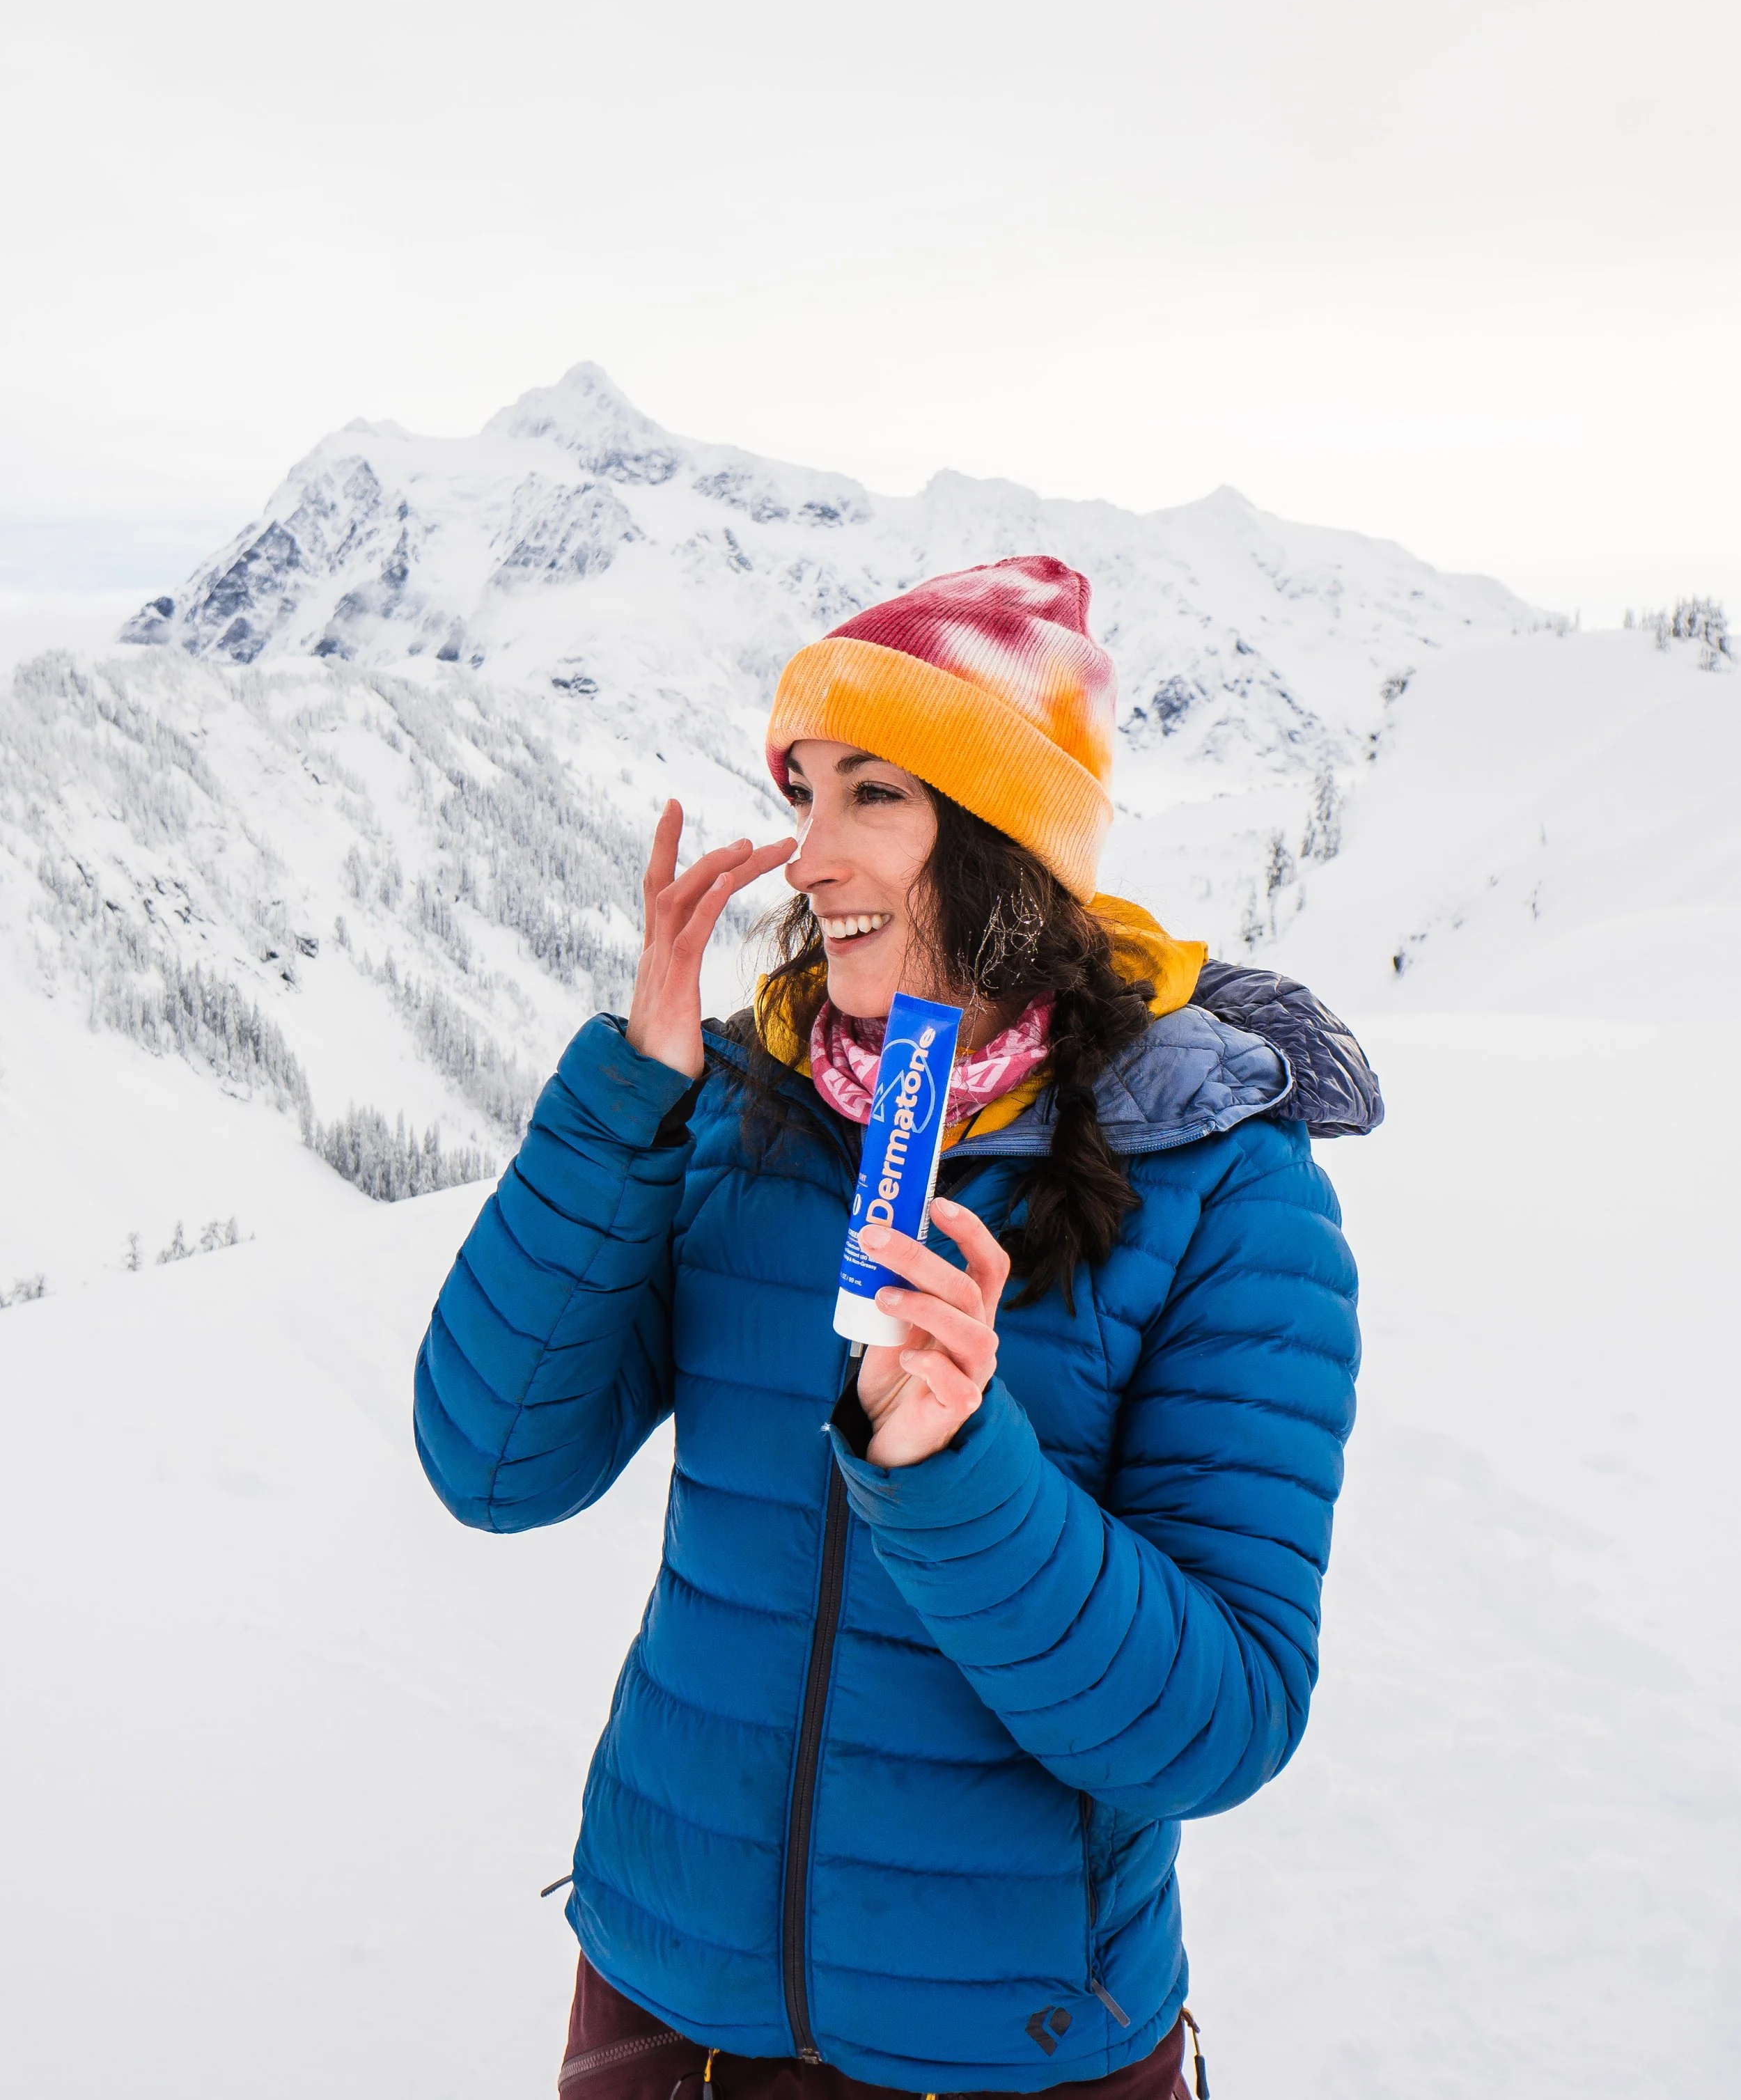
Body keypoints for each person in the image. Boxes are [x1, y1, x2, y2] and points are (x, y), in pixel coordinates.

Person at [415, 555, 1377, 2100]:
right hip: (667, 2003)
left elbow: (1221, 1721)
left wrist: (954, 1474)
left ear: (1001, 838)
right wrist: (630, 1097)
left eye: (873, 794)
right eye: (801, 793)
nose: (806, 855)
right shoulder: (746, 1113)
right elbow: (491, 1459)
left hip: (1007, 2050)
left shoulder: (1221, 1190)